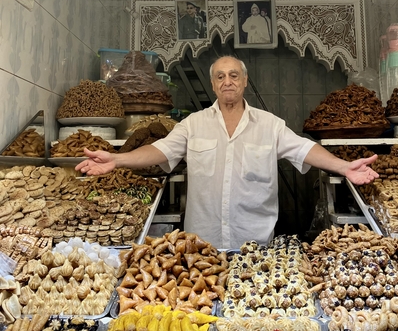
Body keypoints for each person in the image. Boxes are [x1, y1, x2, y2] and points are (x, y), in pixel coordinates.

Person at [76, 56, 378, 249]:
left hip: (256, 244)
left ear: (244, 81)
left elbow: (303, 148)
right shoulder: (193, 124)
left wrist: (343, 167)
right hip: (202, 246)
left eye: (234, 75)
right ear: (212, 84)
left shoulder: (269, 125)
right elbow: (160, 150)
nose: (227, 81)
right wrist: (117, 160)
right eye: (220, 76)